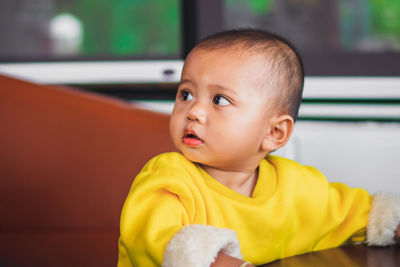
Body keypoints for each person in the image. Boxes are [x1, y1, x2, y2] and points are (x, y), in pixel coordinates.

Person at [117, 29, 400, 267]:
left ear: (274, 132)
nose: (194, 112)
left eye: (219, 100)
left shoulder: (298, 187)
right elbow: (159, 239)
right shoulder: (167, 178)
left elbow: (368, 214)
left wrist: (392, 223)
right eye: (186, 94)